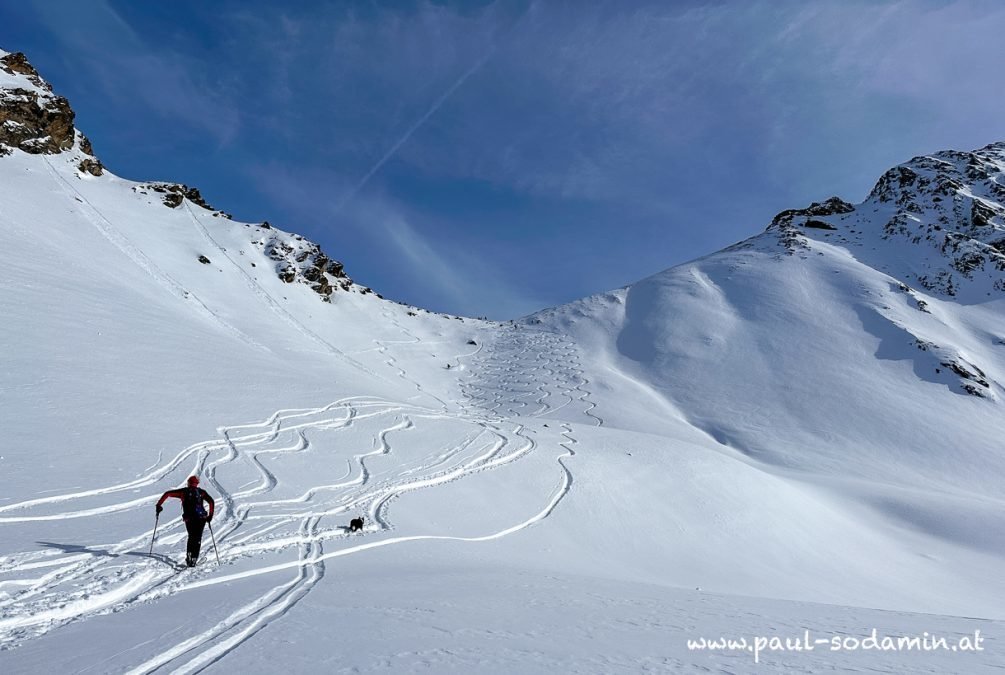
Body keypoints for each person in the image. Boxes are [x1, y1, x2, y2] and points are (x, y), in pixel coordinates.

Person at [156, 476, 215, 567]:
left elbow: (167, 494)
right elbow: (211, 502)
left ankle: (189, 557)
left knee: (191, 537)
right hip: (201, 518)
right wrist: (210, 516)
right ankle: (194, 559)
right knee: (198, 538)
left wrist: (159, 505)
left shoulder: (183, 492)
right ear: (197, 483)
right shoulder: (201, 492)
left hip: (189, 519)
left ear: (188, 483)